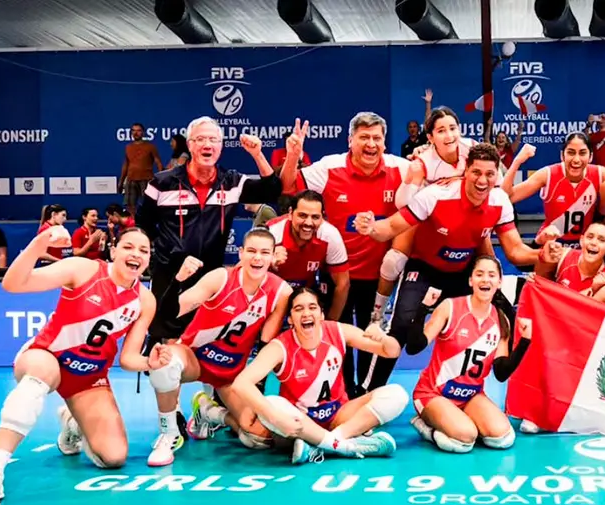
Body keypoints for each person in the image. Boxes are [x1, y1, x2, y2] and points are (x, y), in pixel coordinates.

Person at [0, 226, 168, 505]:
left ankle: (73, 423)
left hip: (89, 376)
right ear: (113, 250)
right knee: (34, 385)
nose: (136, 253)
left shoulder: (145, 300)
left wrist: (150, 363)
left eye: (143, 250)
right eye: (128, 247)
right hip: (48, 357)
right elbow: (12, 284)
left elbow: (128, 359)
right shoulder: (83, 269)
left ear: (149, 259)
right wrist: (38, 246)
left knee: (113, 457)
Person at [354, 143, 546, 390]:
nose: (482, 181)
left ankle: (515, 387)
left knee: (507, 316)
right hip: (425, 269)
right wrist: (371, 228)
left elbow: (516, 251)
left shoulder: (500, 201)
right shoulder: (435, 195)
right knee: (400, 326)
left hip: (464, 273)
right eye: (476, 172)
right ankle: (368, 391)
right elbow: (390, 227)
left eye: (490, 174)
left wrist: (543, 254)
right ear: (466, 171)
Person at [279, 114, 409, 398]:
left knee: (370, 335)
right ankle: (343, 393)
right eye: (364, 137)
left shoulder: (402, 168)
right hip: (336, 274)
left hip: (379, 278)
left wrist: (427, 155)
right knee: (338, 333)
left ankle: (367, 395)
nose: (371, 144)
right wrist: (293, 156)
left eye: (377, 138)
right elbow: (288, 188)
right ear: (350, 140)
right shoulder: (329, 167)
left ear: (384, 142)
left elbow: (439, 176)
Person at [145, 228, 291, 467]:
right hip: (194, 358)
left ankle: (208, 412)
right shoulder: (221, 278)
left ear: (273, 256)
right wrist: (178, 280)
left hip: (229, 374)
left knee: (257, 438)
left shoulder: (281, 291)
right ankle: (168, 434)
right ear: (241, 253)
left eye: (265, 252)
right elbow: (171, 313)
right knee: (165, 364)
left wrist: (255, 392)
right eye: (251, 251)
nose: (257, 258)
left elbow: (266, 343)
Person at [137, 117, 281, 351]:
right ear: (190, 145)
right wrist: (167, 253)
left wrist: (257, 155)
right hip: (170, 275)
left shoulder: (232, 182)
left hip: (210, 276)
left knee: (205, 342)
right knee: (164, 343)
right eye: (200, 139)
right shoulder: (162, 182)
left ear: (221, 147)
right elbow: (143, 223)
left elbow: (272, 190)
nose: (207, 145)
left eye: (213, 140)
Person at [228, 288, 409, 464]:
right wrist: (276, 418)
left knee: (397, 394)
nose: (306, 313)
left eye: (312, 307)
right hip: (300, 424)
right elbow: (241, 383)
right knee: (272, 405)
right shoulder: (280, 346)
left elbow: (392, 351)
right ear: (290, 319)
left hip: (338, 416)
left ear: (321, 314)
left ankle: (326, 445)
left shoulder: (338, 331)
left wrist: (382, 337)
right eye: (298, 309)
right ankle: (346, 446)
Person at [404, 256, 529, 453]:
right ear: (471, 281)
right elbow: (413, 347)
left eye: (491, 275)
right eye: (479, 274)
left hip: (471, 396)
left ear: (499, 282)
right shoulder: (450, 307)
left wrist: (525, 341)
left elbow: (501, 373)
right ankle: (426, 426)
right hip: (433, 393)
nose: (485, 279)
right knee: (464, 440)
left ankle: (458, 420)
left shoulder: (500, 319)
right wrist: (423, 308)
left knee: (502, 438)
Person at [372, 106, 480, 326]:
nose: (449, 135)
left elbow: (495, 180)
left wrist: (460, 181)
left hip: (465, 214)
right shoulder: (423, 161)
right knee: (393, 261)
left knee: (487, 259)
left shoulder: (472, 149)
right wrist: (411, 178)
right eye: (441, 131)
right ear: (430, 137)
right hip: (428, 215)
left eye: (453, 128)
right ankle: (377, 315)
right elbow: (402, 203)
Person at [501, 134, 605, 249]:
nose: (576, 160)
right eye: (571, 153)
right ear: (562, 156)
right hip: (552, 245)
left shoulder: (601, 174)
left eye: (582, 153)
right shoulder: (548, 174)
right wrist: (517, 161)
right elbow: (505, 197)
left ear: (591, 156)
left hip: (586, 247)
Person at [267, 191, 350, 319]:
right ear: (290, 213)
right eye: (302, 215)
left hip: (307, 294)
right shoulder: (271, 233)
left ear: (322, 217)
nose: (308, 223)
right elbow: (243, 271)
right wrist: (267, 261)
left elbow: (343, 284)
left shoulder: (330, 235)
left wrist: (330, 324)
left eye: (315, 217)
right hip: (271, 294)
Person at [533, 220, 605, 296]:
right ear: (581, 240)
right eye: (590, 237)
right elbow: (541, 283)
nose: (594, 243)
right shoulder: (564, 255)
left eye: (601, 240)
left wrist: (597, 291)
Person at [119, 123, 163, 215]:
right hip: (131, 179)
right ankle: (133, 222)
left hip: (146, 179)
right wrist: (121, 181)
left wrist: (161, 179)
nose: (136, 133)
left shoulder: (150, 147)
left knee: (148, 204)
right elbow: (126, 165)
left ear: (143, 132)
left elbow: (158, 162)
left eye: (138, 130)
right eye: (133, 130)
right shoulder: (128, 147)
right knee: (130, 205)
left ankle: (147, 221)